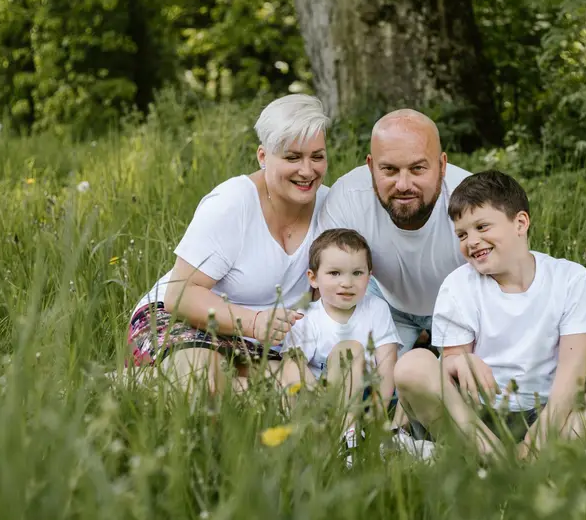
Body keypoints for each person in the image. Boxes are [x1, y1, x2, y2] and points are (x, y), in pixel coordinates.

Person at [393, 170, 586, 460]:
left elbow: (572, 378)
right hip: (472, 416)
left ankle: (517, 459)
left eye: (482, 227)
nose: (472, 241)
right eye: (462, 234)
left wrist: (538, 438)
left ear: (520, 223)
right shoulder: (458, 286)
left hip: (542, 414)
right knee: (411, 365)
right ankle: (492, 456)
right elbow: (450, 365)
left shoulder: (571, 279)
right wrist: (462, 362)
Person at [126, 94, 332, 394]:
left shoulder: (331, 207)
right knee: (201, 382)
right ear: (263, 157)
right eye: (292, 157)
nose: (307, 170)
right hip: (185, 319)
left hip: (261, 341)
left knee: (305, 396)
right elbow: (179, 294)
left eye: (317, 156)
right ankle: (138, 386)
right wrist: (254, 321)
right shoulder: (233, 203)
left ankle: (164, 389)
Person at [317, 109, 470, 356]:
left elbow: (501, 281)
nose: (403, 185)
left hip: (460, 307)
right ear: (371, 166)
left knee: (458, 385)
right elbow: (327, 281)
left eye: (418, 168)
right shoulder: (347, 197)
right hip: (386, 301)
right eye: (389, 170)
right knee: (364, 384)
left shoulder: (471, 201)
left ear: (442, 165)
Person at [280, 228, 401, 460]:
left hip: (368, 398)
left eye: (357, 273)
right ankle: (337, 437)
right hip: (322, 397)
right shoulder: (307, 316)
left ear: (369, 276)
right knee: (292, 377)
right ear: (313, 278)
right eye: (335, 273)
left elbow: (387, 364)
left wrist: (379, 411)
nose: (347, 283)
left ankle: (357, 438)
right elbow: (293, 365)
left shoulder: (376, 308)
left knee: (354, 352)